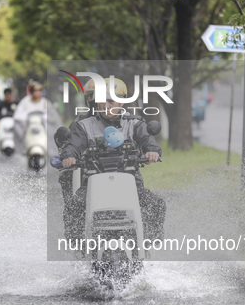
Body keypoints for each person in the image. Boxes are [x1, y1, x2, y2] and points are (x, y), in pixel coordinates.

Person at [60, 77, 166, 242]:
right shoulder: (84, 125)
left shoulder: (135, 123)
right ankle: (78, 250)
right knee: (74, 207)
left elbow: (148, 141)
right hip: (92, 186)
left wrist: (152, 151)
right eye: (102, 100)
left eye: (111, 100)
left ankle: (149, 243)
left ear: (122, 102)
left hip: (131, 185)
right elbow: (73, 145)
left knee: (156, 205)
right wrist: (69, 156)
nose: (106, 105)